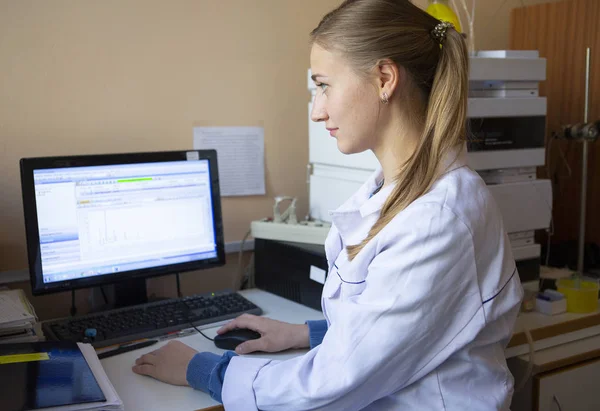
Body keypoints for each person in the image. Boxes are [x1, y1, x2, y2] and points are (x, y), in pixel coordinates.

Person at [132, 0, 524, 409]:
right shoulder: (394, 191)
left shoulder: (437, 219)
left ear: (385, 78)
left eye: (323, 85)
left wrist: (203, 369)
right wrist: (306, 334)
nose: (317, 111)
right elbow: (400, 332)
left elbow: (332, 384)